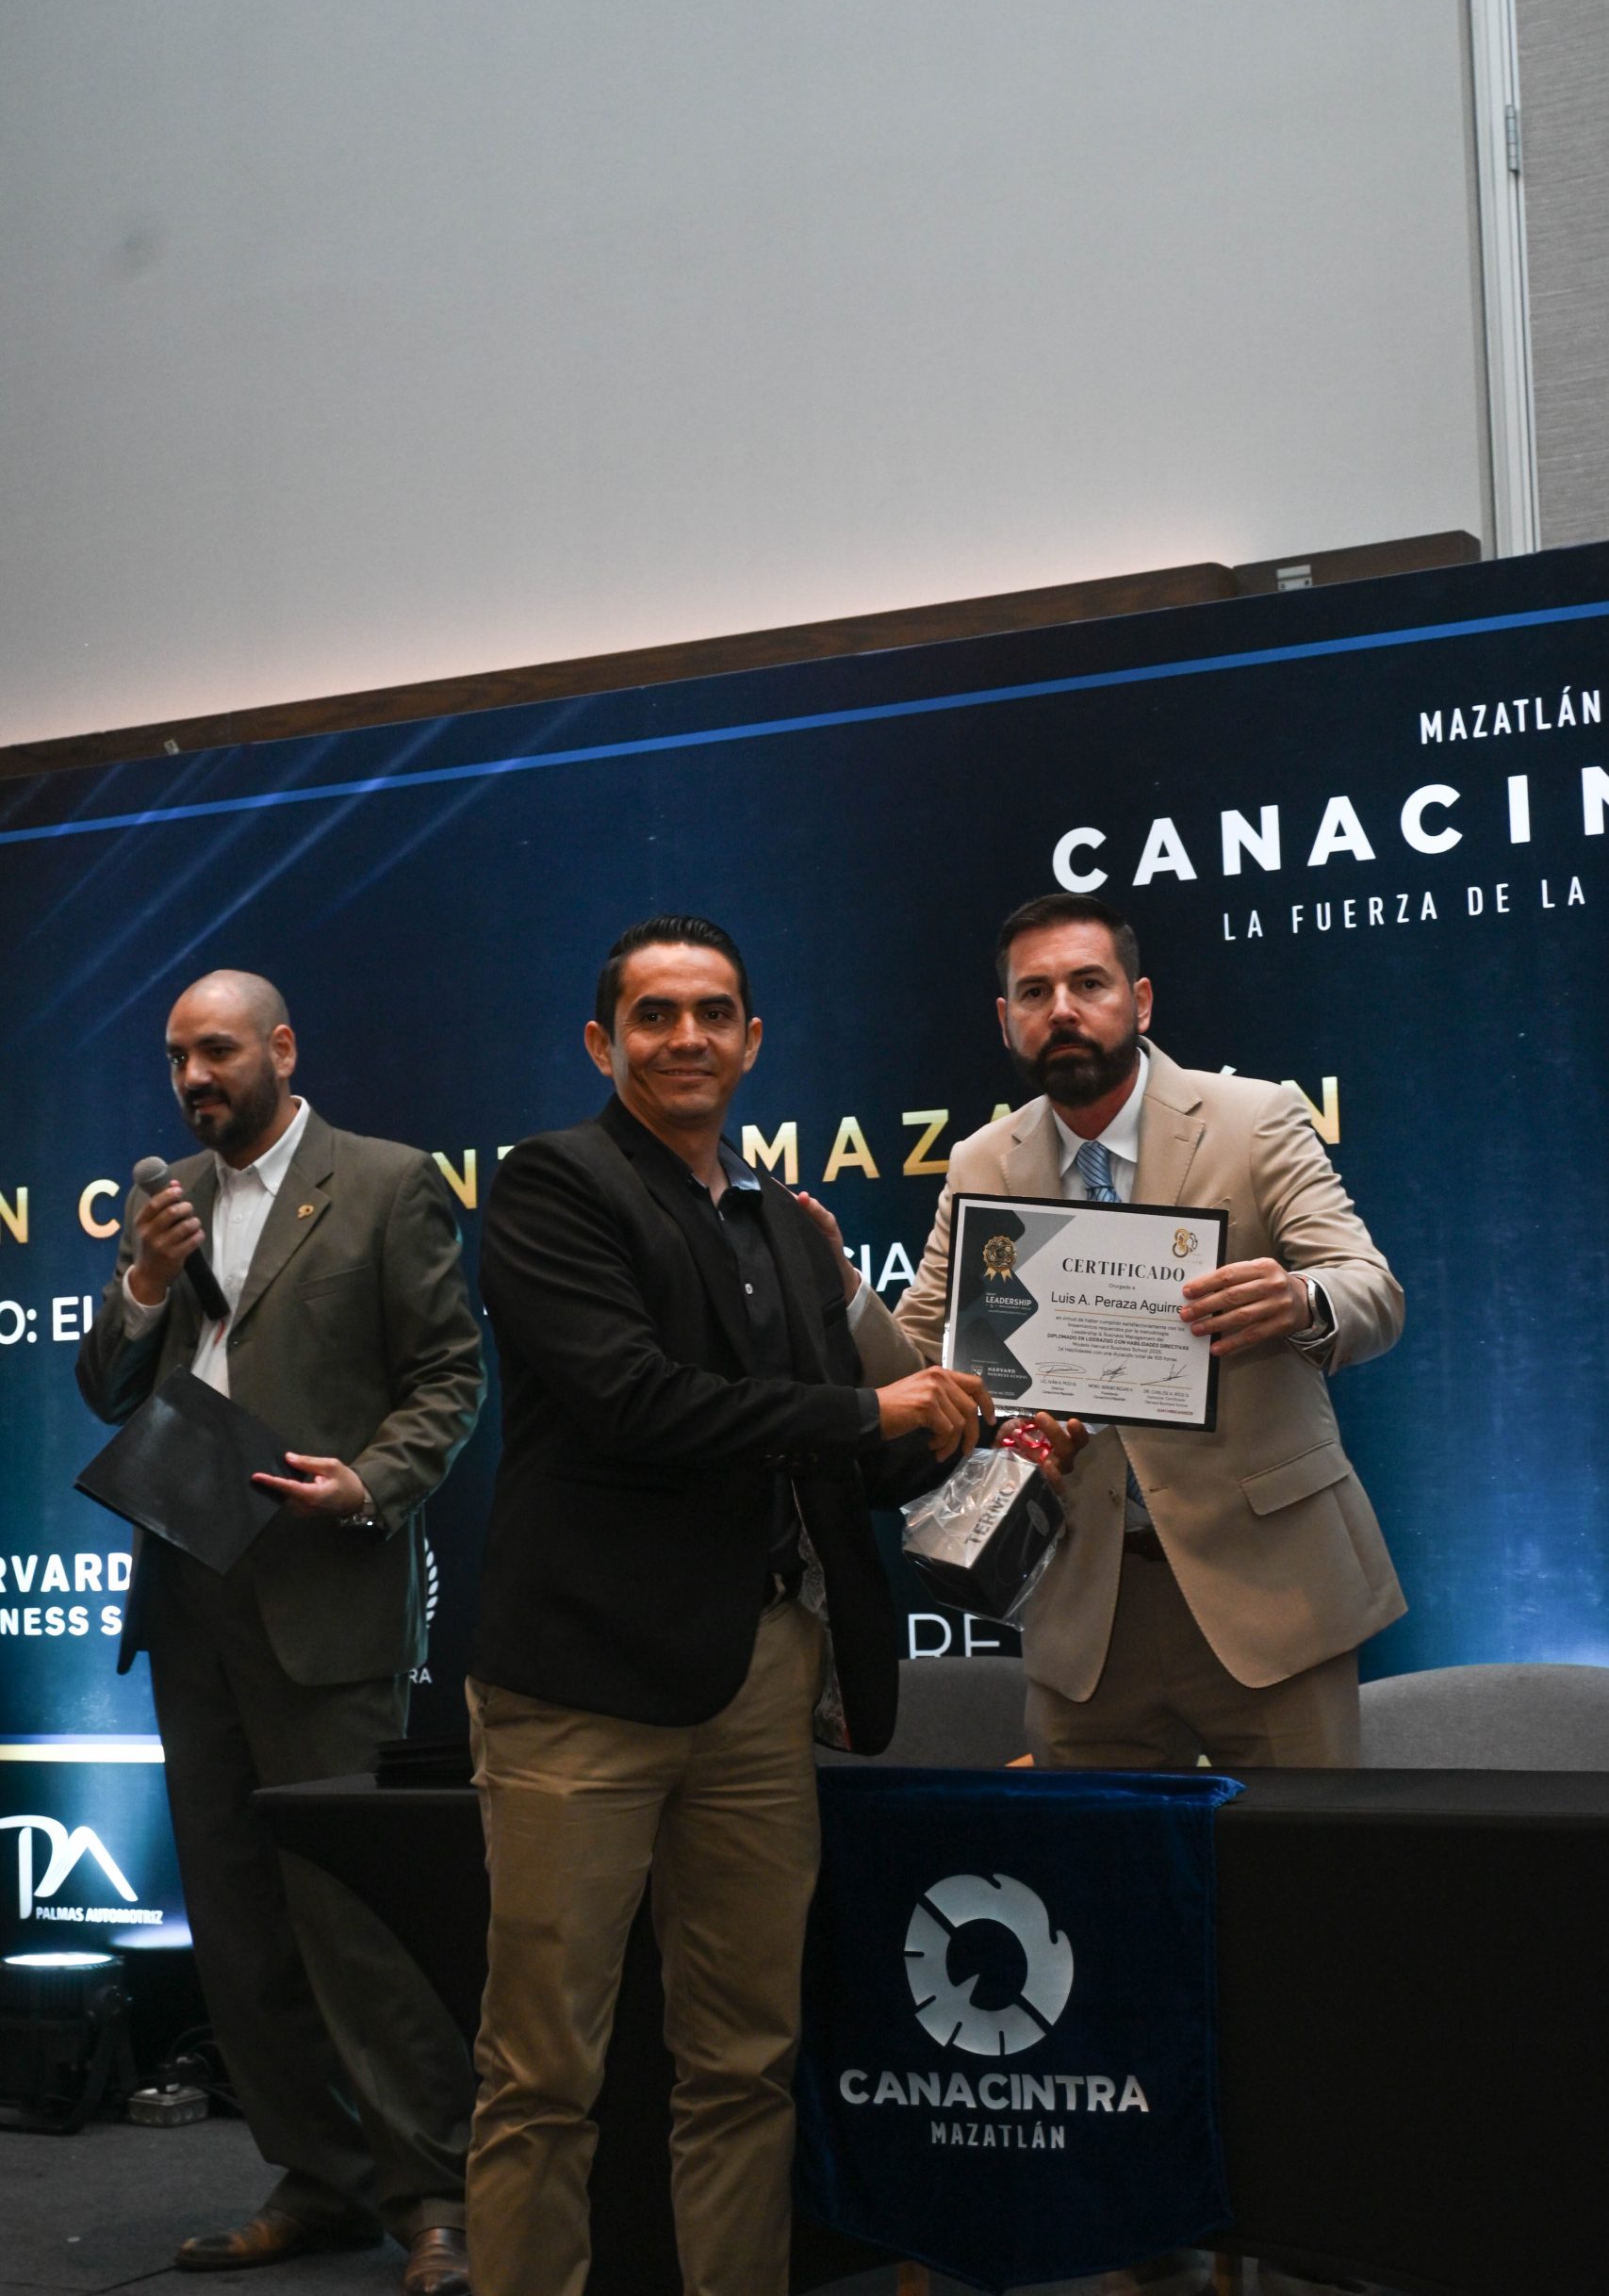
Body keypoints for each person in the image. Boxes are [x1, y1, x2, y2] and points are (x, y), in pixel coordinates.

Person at [466, 915, 993, 2296]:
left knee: (747, 2057)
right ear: (603, 1041)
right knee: (543, 2070)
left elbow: (845, 1456)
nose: (685, 1037)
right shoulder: (553, 1185)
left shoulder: (784, 1225)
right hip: (582, 1684)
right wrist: (873, 1408)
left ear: (752, 1041)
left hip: (761, 1678)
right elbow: (635, 1403)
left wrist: (973, 1429)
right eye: (654, 1015)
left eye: (712, 1014)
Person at [76, 970, 485, 2293]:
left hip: (323, 1592)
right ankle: (319, 2181)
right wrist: (145, 1282)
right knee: (237, 1926)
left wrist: (369, 1480)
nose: (195, 1077)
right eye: (176, 1058)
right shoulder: (166, 1204)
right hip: (188, 1589)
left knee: (352, 1921)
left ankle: (434, 2197)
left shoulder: (385, 1182)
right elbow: (104, 1386)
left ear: (282, 1048)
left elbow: (449, 1377)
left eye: (218, 1050)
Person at [804, 890, 1405, 1774]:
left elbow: (1372, 1291)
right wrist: (843, 1284)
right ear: (1005, 1021)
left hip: (1268, 1591)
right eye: (1035, 993)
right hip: (1082, 1607)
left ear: (1140, 1000)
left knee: (1303, 1854)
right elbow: (924, 1363)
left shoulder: (1252, 1119)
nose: (1063, 1011)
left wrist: (1301, 1300)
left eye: (1088, 984)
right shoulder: (982, 1161)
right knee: (1092, 1860)